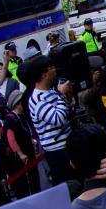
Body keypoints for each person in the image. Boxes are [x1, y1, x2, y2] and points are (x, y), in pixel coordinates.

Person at [24, 55, 74, 184]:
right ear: (44, 74)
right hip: (58, 152)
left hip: (68, 144)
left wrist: (67, 97)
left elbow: (65, 112)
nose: (54, 70)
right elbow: (58, 119)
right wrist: (61, 94)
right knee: (69, 187)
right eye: (51, 68)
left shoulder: (51, 92)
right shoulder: (37, 99)